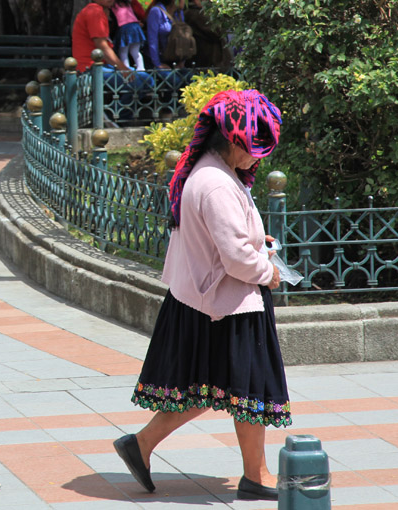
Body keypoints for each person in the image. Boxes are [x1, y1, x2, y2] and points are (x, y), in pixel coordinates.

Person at [111, 90, 288, 502]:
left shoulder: (209, 173)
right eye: (253, 148)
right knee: (249, 389)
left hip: (206, 298)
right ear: (232, 141)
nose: (256, 159)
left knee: (209, 386)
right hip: (227, 302)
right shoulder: (217, 184)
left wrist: (254, 240)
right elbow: (236, 258)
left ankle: (142, 445)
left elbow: (217, 239)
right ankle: (255, 474)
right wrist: (269, 271)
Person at [146, 0, 186, 70]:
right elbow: (152, 40)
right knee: (175, 80)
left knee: (189, 77)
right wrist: (158, 64)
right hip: (159, 60)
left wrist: (182, 61)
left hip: (177, 59)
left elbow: (183, 38)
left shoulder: (179, 13)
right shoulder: (156, 11)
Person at [112, 0, 146, 71]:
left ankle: (126, 70)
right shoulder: (127, 2)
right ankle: (141, 68)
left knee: (123, 52)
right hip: (135, 26)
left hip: (124, 27)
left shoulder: (113, 4)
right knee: (135, 51)